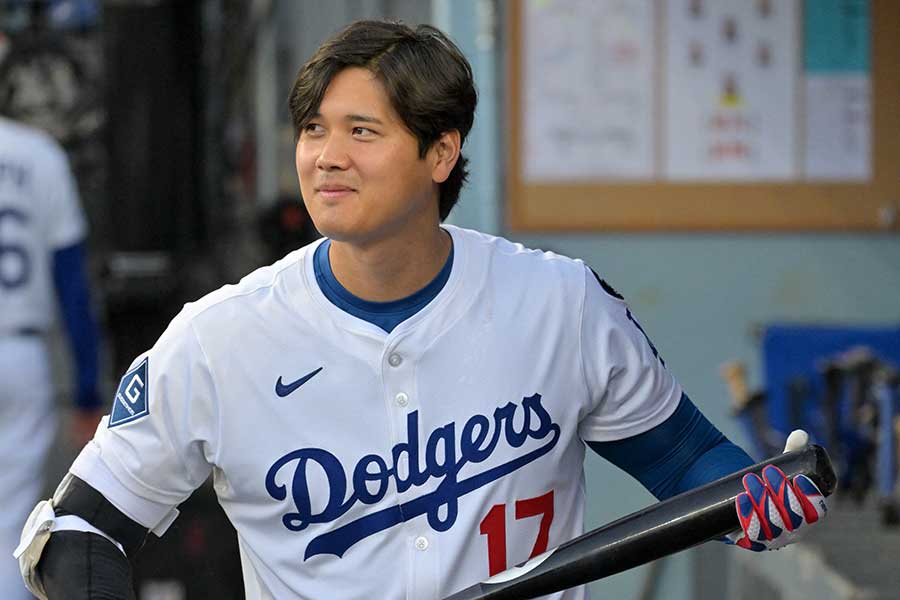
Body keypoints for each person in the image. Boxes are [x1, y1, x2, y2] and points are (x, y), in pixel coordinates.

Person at [16, 20, 826, 600]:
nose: (326, 155)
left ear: (441, 151)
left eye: (362, 131)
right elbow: (78, 537)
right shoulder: (219, 338)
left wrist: (757, 504)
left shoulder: (559, 305)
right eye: (312, 129)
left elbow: (689, 465)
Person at [0, 115, 103, 599]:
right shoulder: (37, 153)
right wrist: (87, 387)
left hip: (22, 348)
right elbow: (71, 282)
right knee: (10, 526)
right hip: (19, 352)